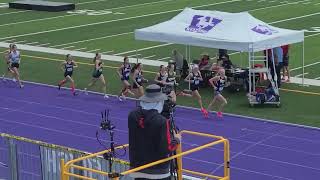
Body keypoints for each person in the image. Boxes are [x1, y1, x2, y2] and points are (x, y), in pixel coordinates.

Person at [128, 84, 181, 180]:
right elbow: (167, 148)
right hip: (158, 172)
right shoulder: (161, 121)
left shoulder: (132, 116)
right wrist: (177, 139)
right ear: (158, 102)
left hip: (137, 169)